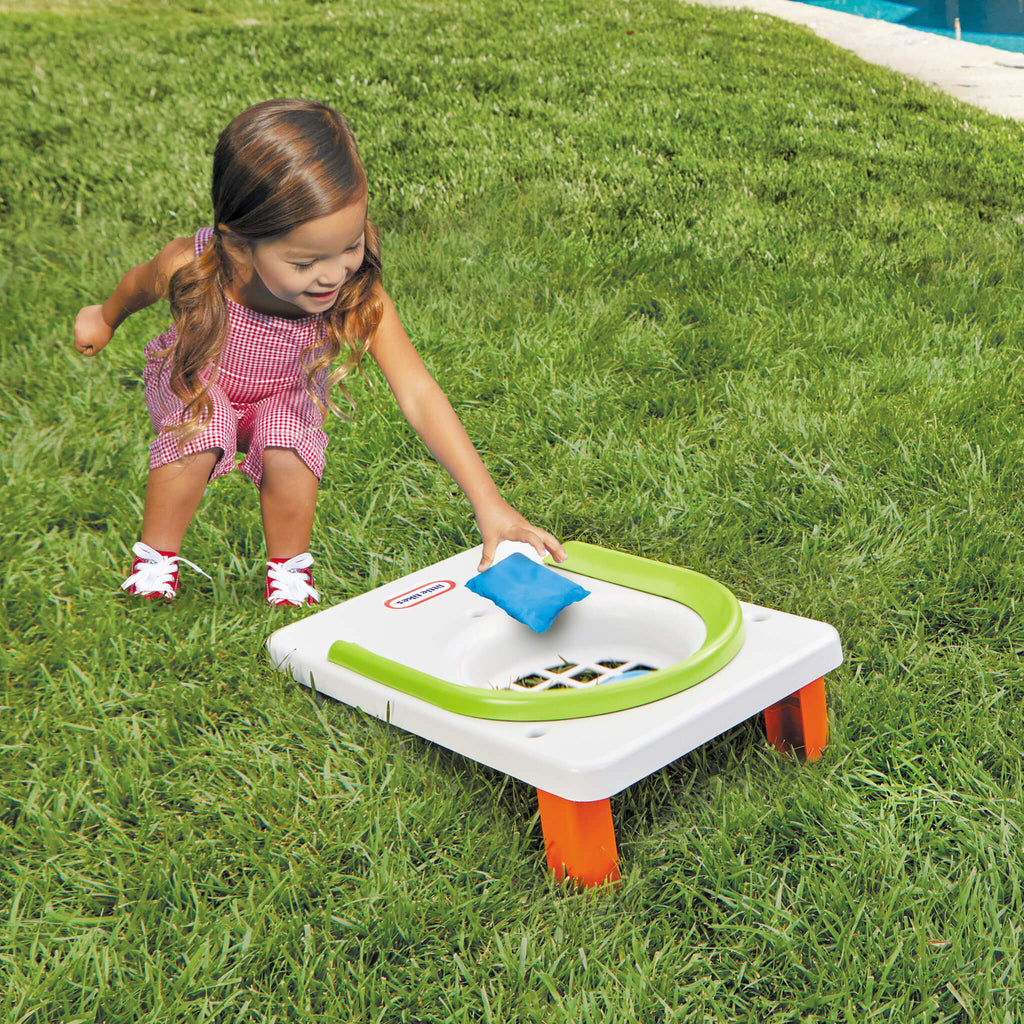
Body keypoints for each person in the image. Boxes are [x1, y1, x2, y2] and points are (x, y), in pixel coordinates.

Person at [73, 98, 565, 606]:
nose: (333, 274)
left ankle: (289, 576)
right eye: (306, 261)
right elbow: (136, 286)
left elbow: (417, 392)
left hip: (279, 396)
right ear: (241, 244)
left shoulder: (357, 298)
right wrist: (104, 317)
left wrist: (489, 503)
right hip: (199, 384)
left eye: (349, 246)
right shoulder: (192, 264)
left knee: (288, 441)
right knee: (205, 425)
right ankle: (155, 561)